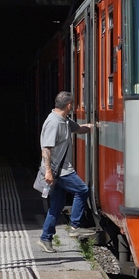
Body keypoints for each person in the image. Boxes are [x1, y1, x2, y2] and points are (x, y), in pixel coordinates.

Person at [38, 91, 95, 252]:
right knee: (82, 190)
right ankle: (75, 227)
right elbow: (46, 149)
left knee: (56, 205)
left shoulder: (64, 120)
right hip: (59, 170)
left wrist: (95, 127)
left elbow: (79, 129)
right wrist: (48, 171)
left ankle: (45, 238)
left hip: (59, 170)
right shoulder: (53, 123)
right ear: (69, 105)